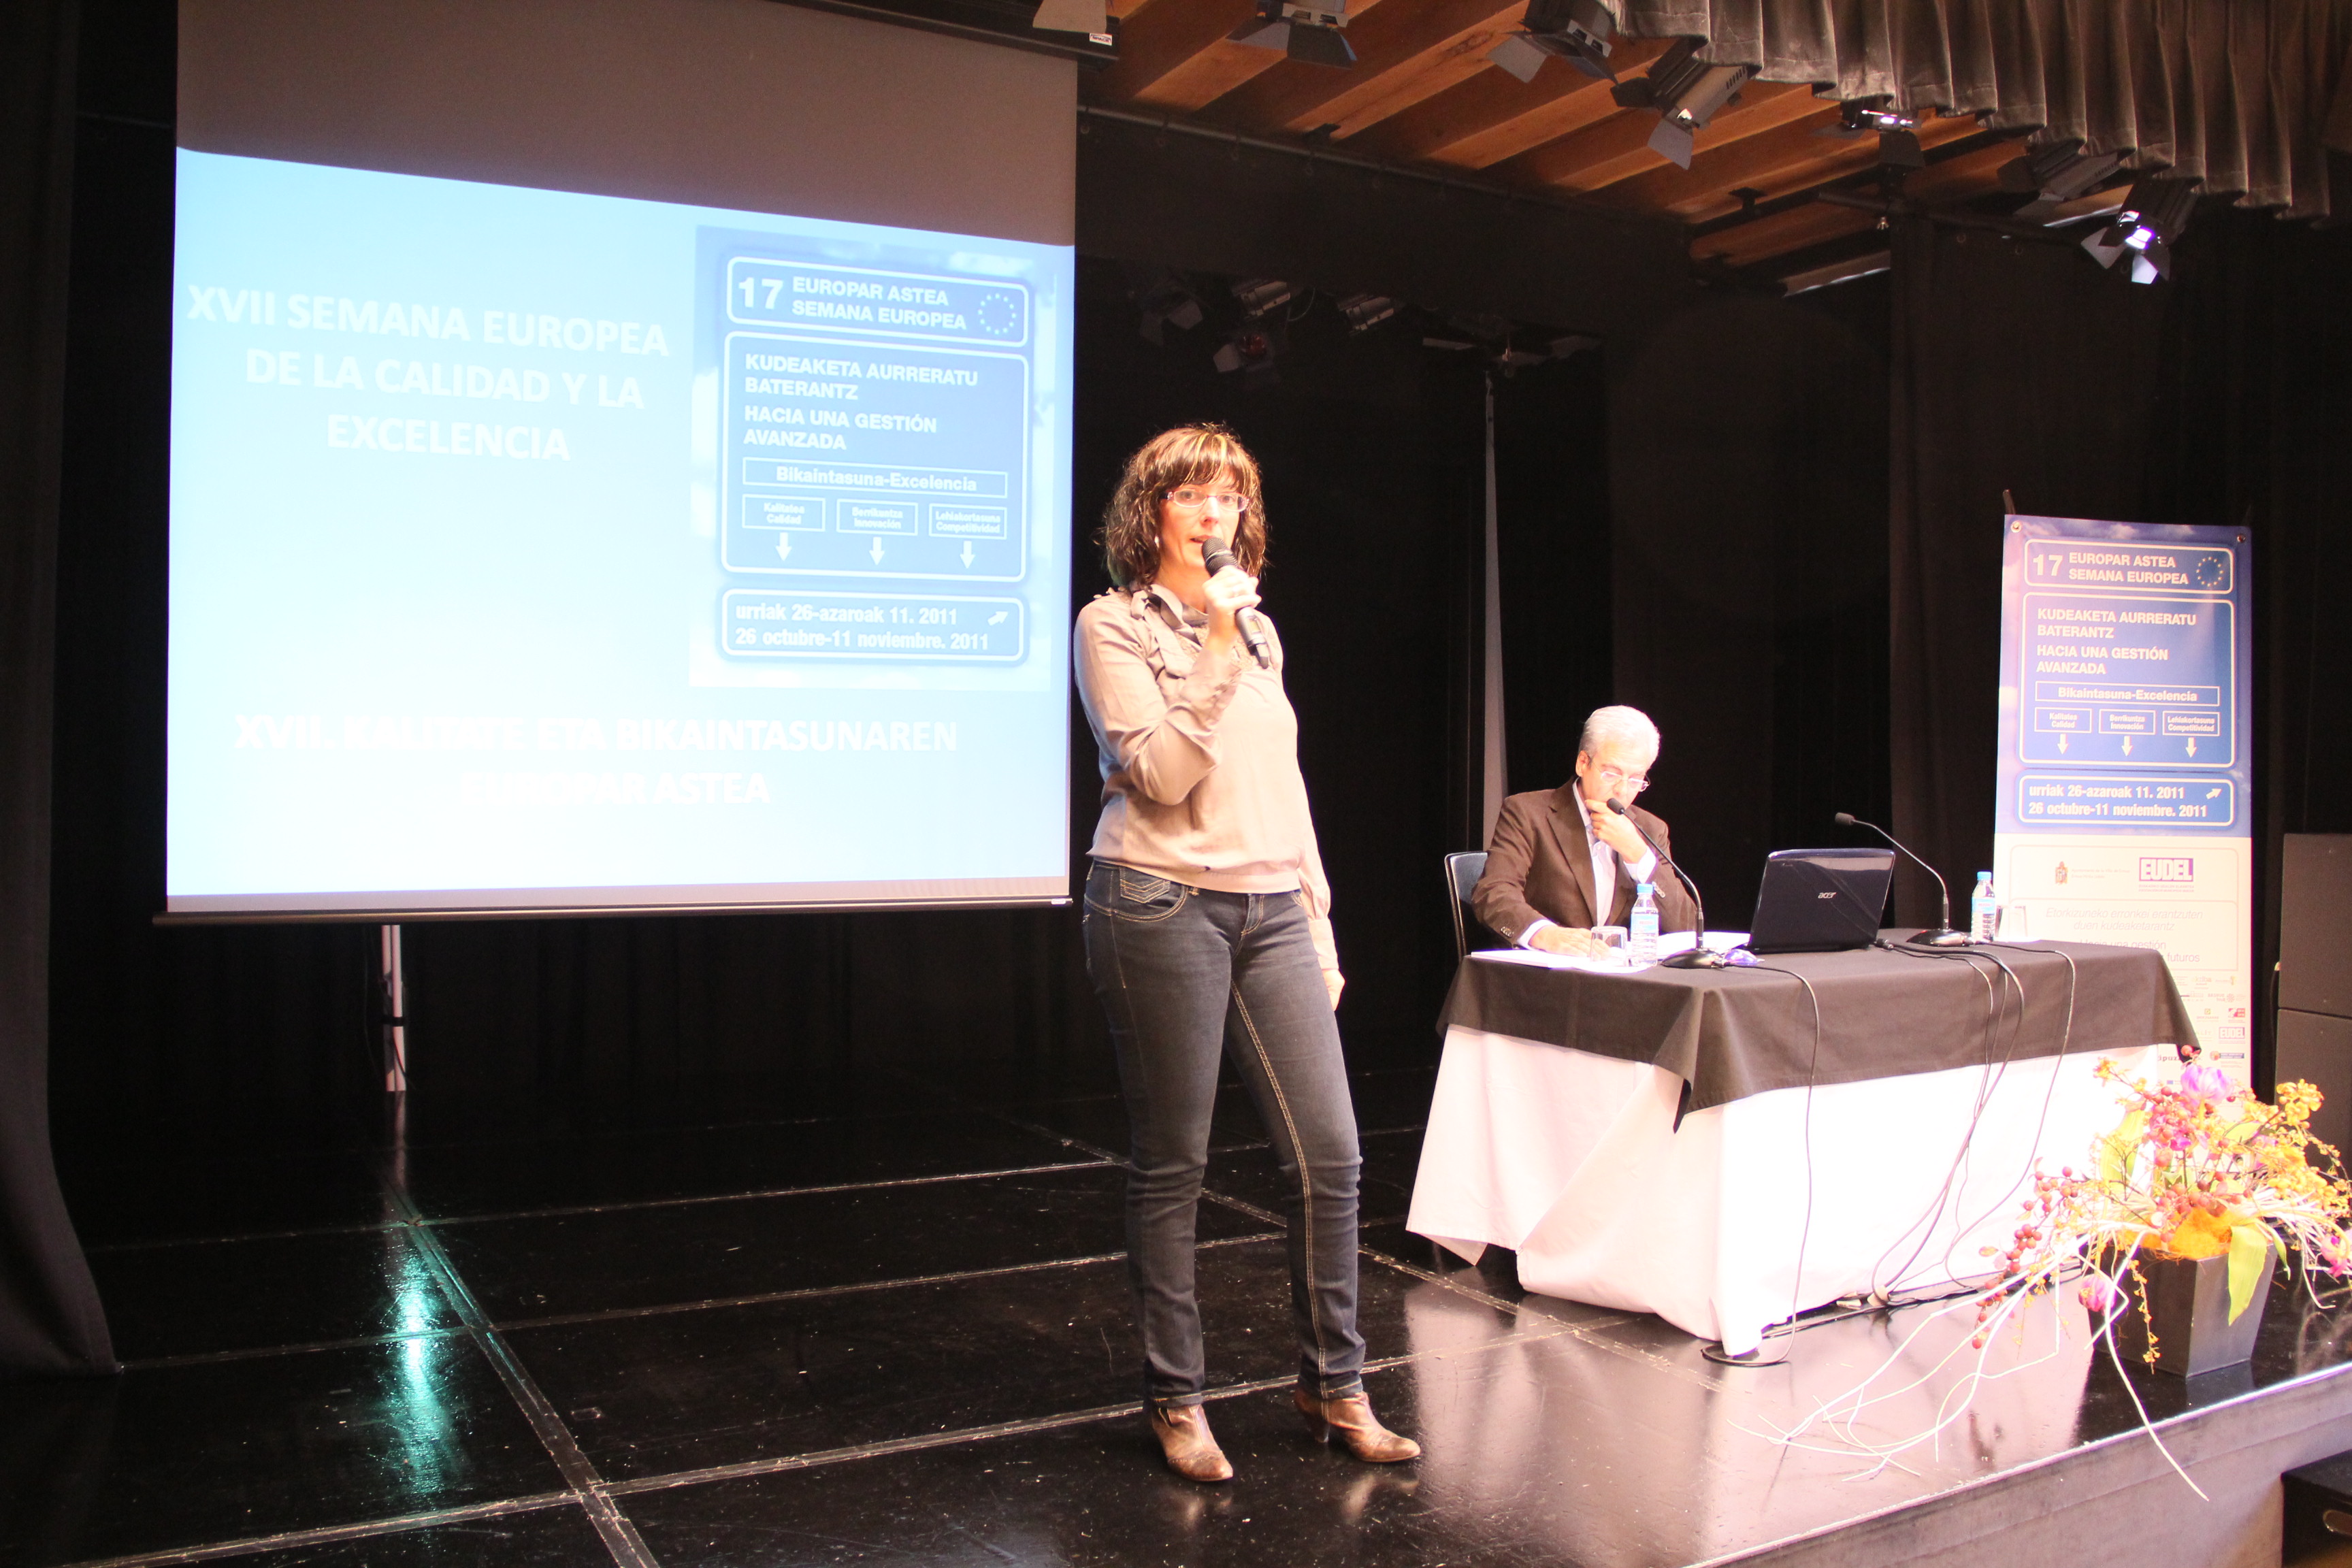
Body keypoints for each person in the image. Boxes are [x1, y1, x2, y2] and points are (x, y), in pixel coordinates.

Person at [1073, 424, 1418, 1483]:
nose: (1213, 511)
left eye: (1228, 495)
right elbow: (1162, 775)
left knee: (1332, 1156)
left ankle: (1335, 1385)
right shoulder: (1112, 624)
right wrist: (1217, 643)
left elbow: (1284, 782)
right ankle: (1176, 1399)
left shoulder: (1260, 631)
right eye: (1190, 494)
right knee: (1175, 1161)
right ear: (1152, 514)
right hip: (1159, 901)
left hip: (1273, 907)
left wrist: (1318, 919)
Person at [1472, 704, 1698, 954]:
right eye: (1611, 774)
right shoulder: (1527, 812)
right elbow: (1493, 892)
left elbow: (1687, 927)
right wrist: (1545, 934)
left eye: (1636, 779)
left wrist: (1639, 856)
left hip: (1622, 973)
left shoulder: (1650, 829)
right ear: (1583, 763)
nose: (1623, 790)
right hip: (1549, 970)